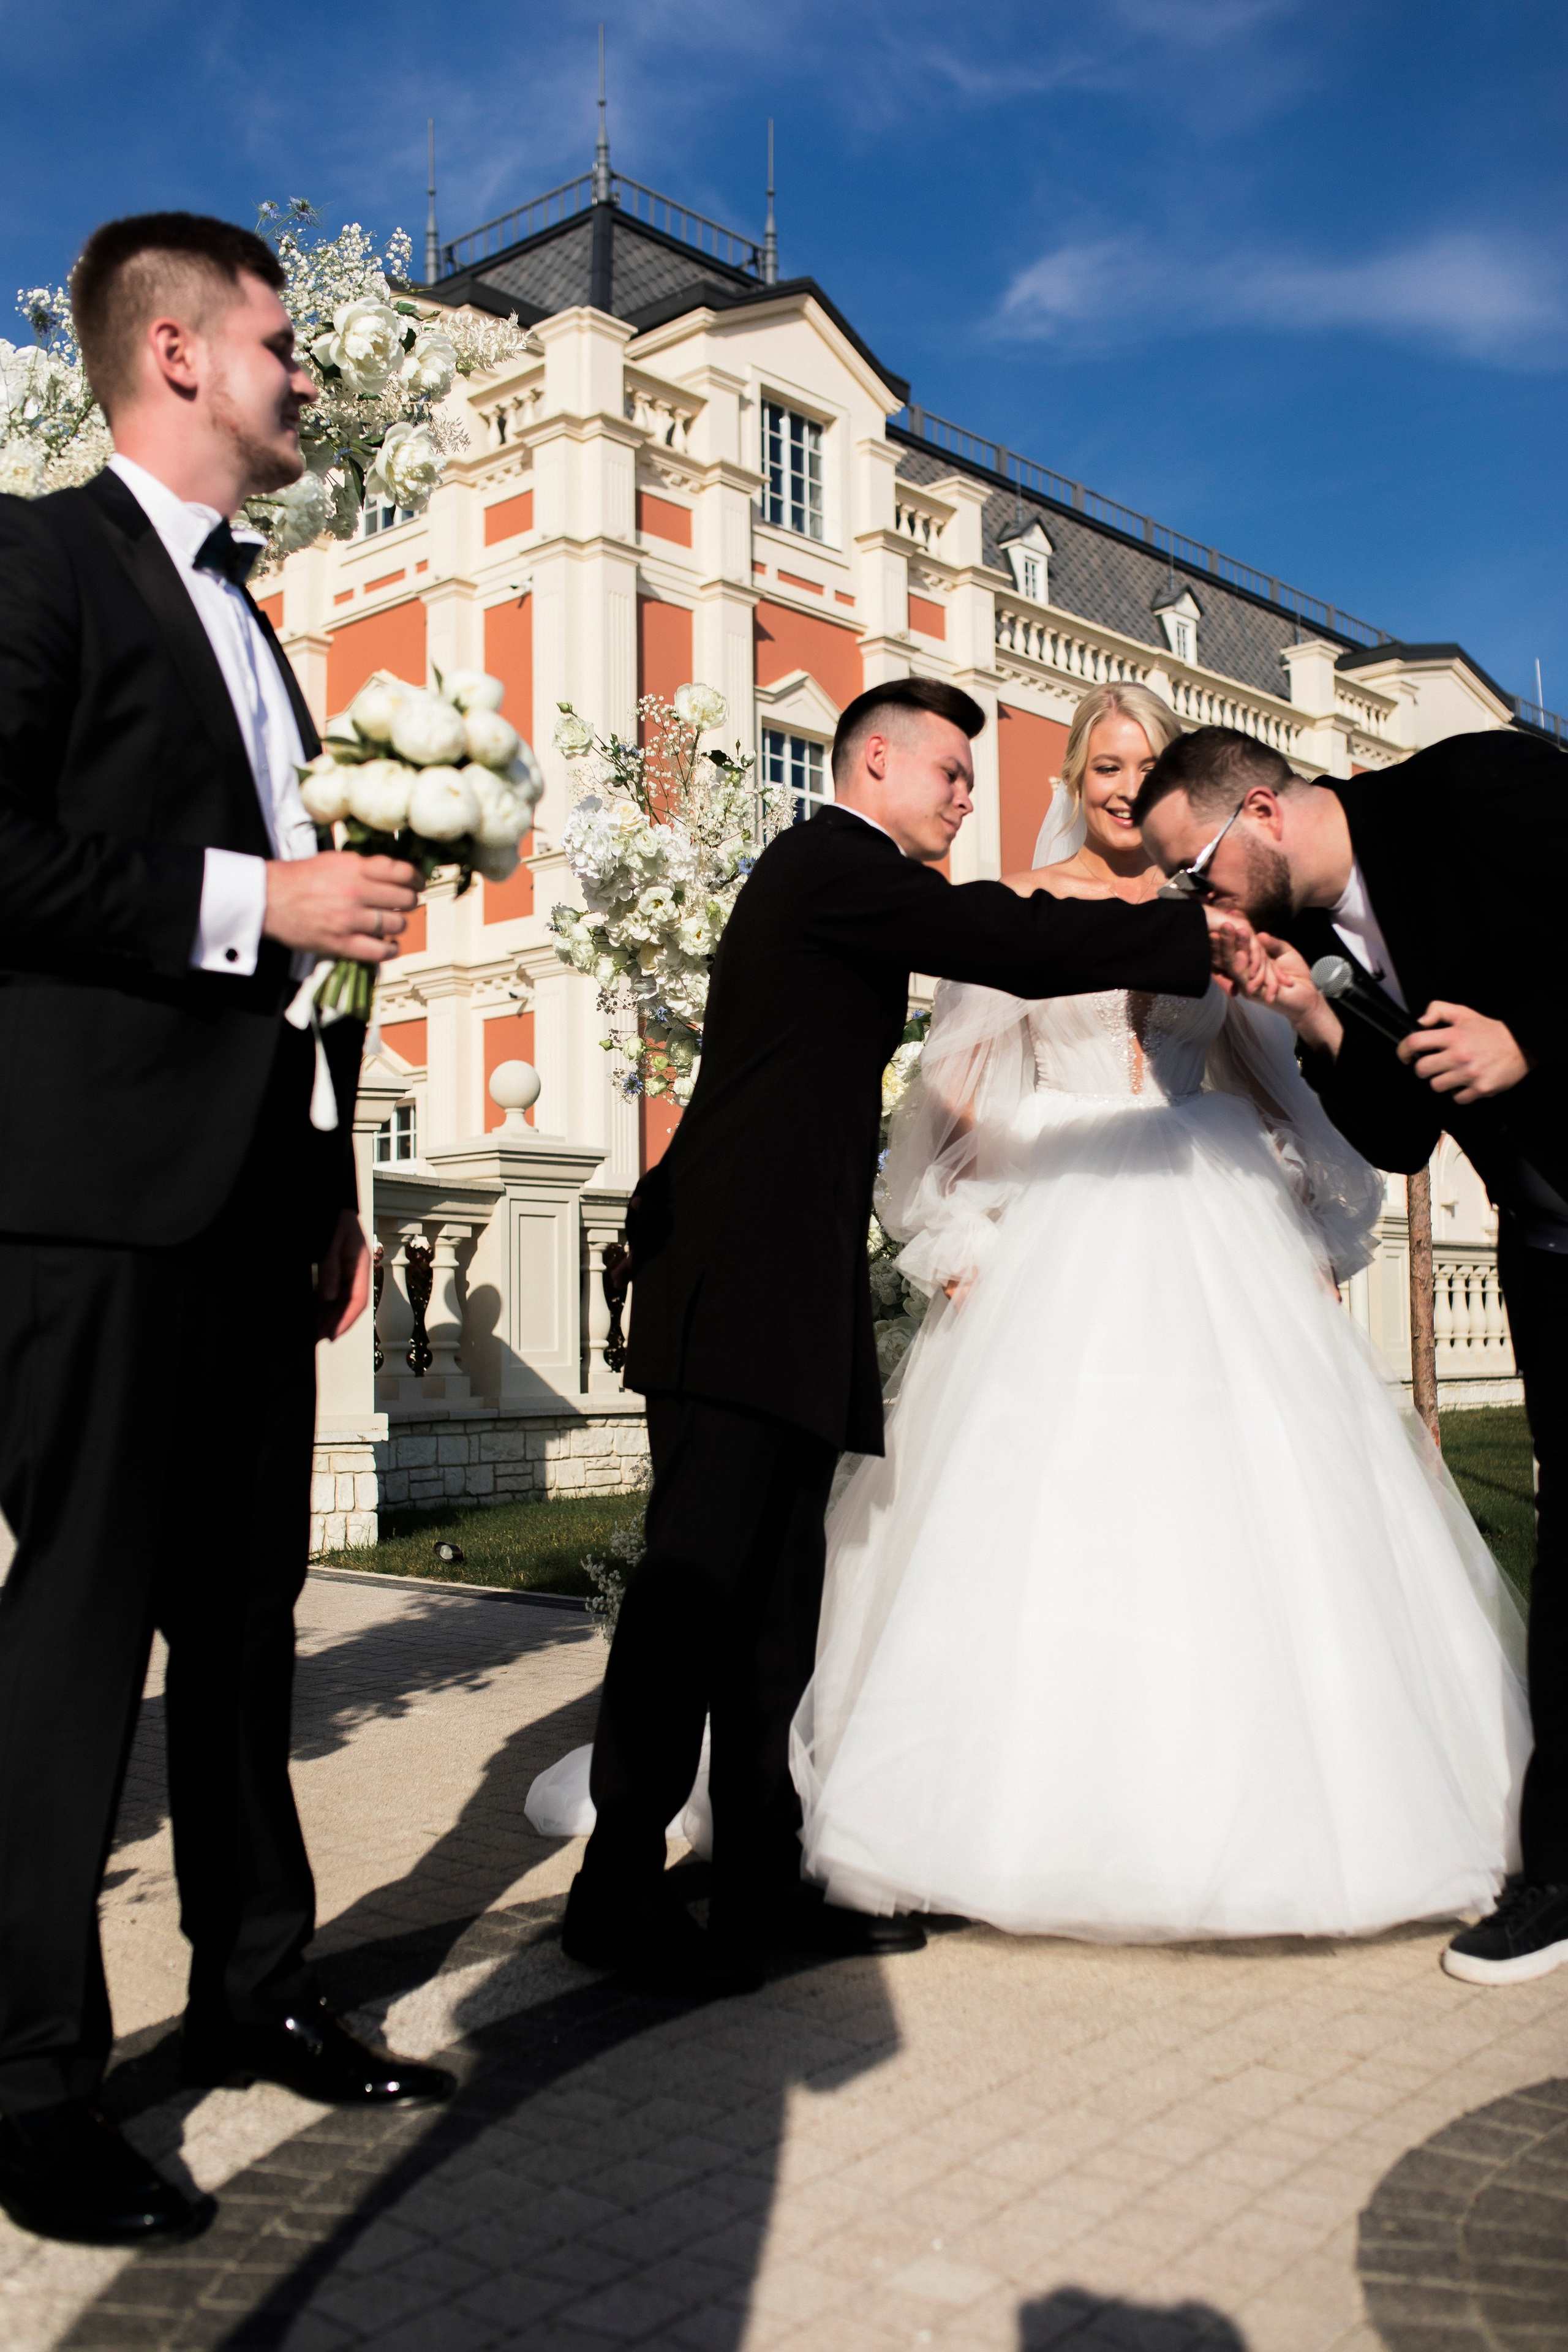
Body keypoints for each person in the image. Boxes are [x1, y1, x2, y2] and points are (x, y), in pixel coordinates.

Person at [791, 685, 1529, 1943]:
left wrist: (1304, 1211)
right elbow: (953, 1092)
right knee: (1046, 1506)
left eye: (1143, 773)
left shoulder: (1219, 914)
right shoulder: (1022, 910)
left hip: (1204, 1209)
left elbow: (1265, 1080)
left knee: (1238, 1499)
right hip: (1064, 1218)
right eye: (1103, 771)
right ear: (1074, 782)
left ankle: (1285, 1807)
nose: (1123, 792)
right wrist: (956, 1229)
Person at [0, 213, 451, 2250]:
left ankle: (259, 1986)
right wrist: (252, 900)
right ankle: (27, 2090)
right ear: (176, 354)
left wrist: (334, 1176)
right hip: (85, 1205)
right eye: (286, 345)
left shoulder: (264, 633)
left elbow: (297, 968)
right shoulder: (36, 563)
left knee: (247, 1636)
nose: (308, 379)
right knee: (77, 1644)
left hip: (258, 1206)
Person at [564, 677, 1224, 1998]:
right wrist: (1184, 937)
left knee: (774, 1610)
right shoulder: (824, 863)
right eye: (948, 774)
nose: (966, 796)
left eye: (973, 780)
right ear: (870, 764)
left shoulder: (850, 879)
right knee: (693, 1592)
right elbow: (1003, 937)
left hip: (791, 1289)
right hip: (732, 1283)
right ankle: (615, 1887)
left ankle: (761, 1875)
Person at [1135, 723, 1568, 1984]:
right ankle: (1552, 1871)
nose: (1193, 900)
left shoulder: (1469, 788)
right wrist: (1315, 1022)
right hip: (1546, 1241)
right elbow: (1399, 1136)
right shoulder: (1319, 939)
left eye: (1196, 869)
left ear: (1260, 811)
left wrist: (1528, 1038)